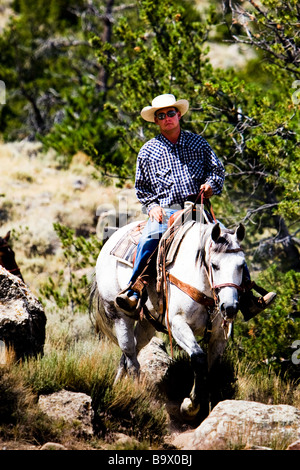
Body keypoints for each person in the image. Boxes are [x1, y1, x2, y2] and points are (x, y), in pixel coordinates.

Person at [115, 93, 276, 318]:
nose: (167, 118)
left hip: (198, 208)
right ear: (156, 121)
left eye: (171, 113)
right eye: (161, 115)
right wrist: (151, 206)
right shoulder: (148, 151)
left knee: (229, 243)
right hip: (167, 210)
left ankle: (247, 298)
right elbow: (142, 187)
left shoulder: (198, 143)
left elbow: (216, 171)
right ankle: (134, 290)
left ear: (178, 115)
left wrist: (211, 185)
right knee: (149, 239)